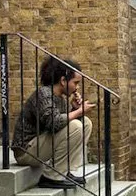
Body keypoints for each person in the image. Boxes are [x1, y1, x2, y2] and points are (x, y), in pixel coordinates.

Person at [12, 56, 94, 187]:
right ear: (63, 80)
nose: (77, 88)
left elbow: (63, 124)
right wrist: (78, 111)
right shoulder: (43, 94)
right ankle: (51, 176)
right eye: (76, 82)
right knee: (77, 124)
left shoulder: (60, 98)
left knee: (85, 123)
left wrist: (74, 109)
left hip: (40, 145)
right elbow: (54, 123)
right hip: (26, 151)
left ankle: (65, 170)